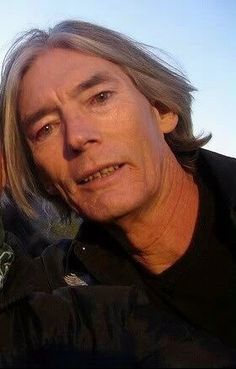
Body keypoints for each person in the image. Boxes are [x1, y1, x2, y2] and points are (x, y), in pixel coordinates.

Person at [0, 19, 236, 365]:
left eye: (100, 97)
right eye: (46, 127)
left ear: (163, 109)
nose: (77, 137)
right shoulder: (58, 289)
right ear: (42, 177)